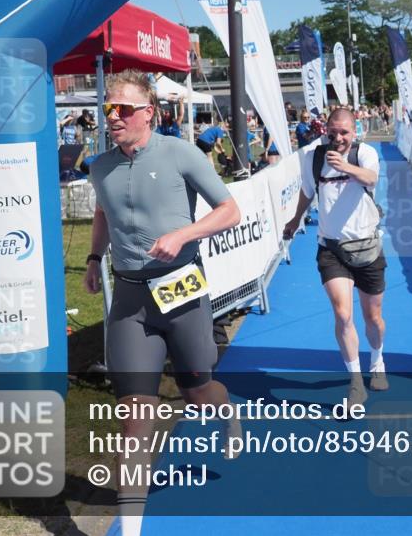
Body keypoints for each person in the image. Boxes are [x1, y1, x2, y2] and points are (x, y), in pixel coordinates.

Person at [85, 70, 242, 536]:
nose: (113, 117)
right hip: (131, 299)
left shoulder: (180, 153)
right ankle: (131, 529)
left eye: (124, 109)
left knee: (198, 393)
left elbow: (229, 210)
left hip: (182, 291)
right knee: (136, 417)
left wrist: (184, 234)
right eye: (108, 109)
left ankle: (226, 409)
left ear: (148, 113)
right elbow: (102, 212)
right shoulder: (99, 166)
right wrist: (94, 257)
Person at [282, 109, 387, 406]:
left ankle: (377, 361)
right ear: (325, 130)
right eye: (333, 132)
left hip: (366, 247)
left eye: (344, 132)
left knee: (374, 318)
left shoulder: (364, 154)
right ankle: (355, 383)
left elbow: (371, 178)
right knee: (342, 314)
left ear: (355, 132)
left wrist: (346, 166)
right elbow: (307, 190)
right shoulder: (314, 158)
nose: (338, 138)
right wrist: (294, 220)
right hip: (331, 248)